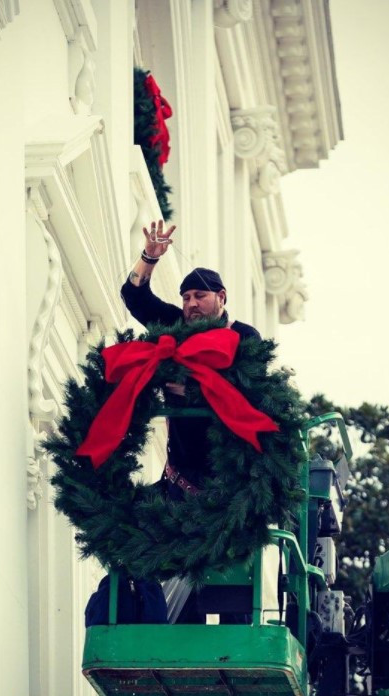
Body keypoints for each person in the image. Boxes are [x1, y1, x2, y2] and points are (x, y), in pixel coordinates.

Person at [120, 220, 263, 623]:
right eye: (185, 298)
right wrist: (150, 257)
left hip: (229, 492)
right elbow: (134, 297)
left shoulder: (244, 336)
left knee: (231, 594)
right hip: (178, 484)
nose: (190, 304)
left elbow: (242, 388)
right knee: (135, 538)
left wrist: (188, 385)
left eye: (199, 295)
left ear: (221, 297)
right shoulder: (177, 328)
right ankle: (149, 627)